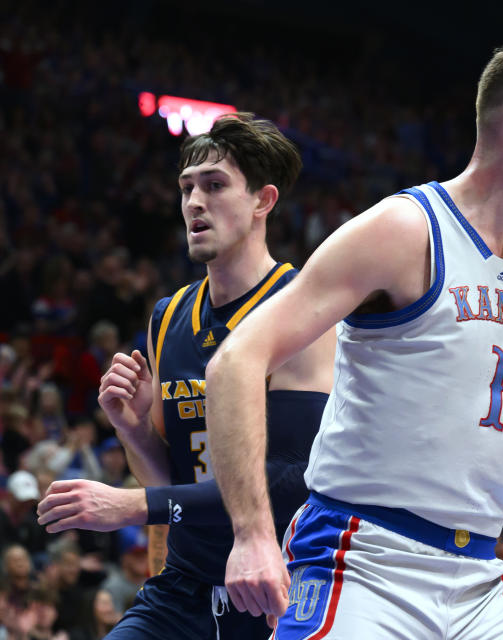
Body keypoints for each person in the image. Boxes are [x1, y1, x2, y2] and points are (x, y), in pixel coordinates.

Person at [204, 37, 503, 638]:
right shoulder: (406, 229)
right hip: (362, 559)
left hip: (478, 577)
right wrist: (252, 535)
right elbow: (236, 361)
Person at [35, 113, 335, 639]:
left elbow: (290, 480)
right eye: (187, 188)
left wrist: (127, 506)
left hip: (276, 589)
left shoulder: (299, 310)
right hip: (184, 588)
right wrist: (132, 429)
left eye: (215, 186)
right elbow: (168, 481)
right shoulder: (168, 316)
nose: (195, 203)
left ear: (263, 201)